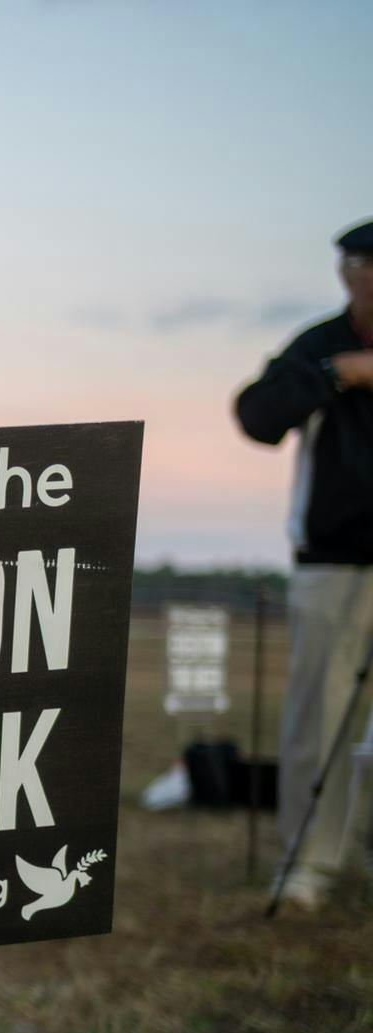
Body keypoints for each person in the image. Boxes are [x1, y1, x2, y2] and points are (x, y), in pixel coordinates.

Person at [235, 217, 373, 909]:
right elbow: (256, 415)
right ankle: (309, 865)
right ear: (351, 274)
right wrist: (336, 376)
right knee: (319, 716)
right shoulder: (321, 346)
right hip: (336, 558)